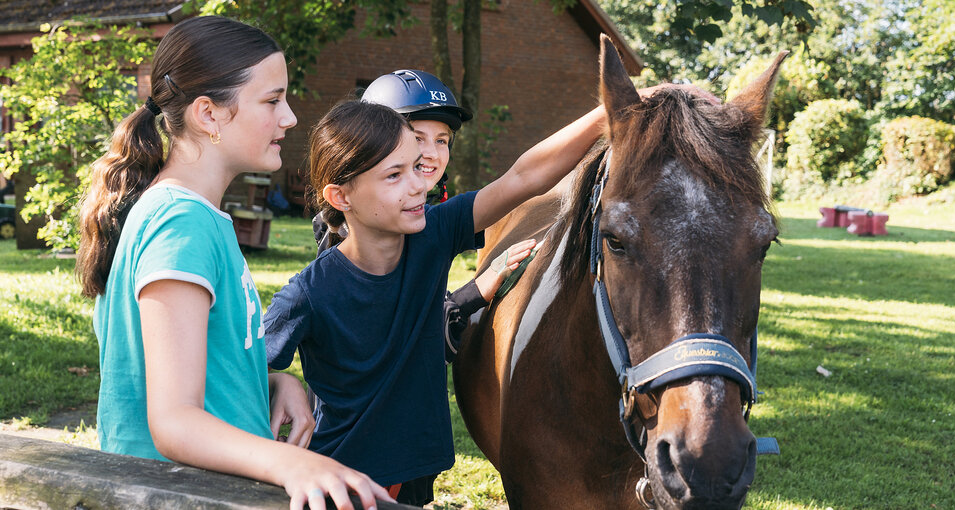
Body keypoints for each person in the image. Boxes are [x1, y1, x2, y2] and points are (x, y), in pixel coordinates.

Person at [262, 78, 648, 504]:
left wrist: (618, 109)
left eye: (417, 167)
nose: (418, 185)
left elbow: (525, 176)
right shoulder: (306, 295)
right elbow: (240, 370)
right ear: (340, 196)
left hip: (414, 470)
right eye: (395, 174)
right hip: (341, 479)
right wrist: (282, 380)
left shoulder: (436, 232)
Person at [74, 16, 391, 510]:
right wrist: (292, 463)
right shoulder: (180, 223)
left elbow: (177, 366)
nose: (289, 117)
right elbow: (174, 422)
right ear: (209, 114)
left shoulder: (194, 217)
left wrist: (267, 381)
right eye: (272, 100)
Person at [311, 70, 537, 358]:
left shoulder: (415, 219)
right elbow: (398, 336)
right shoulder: (362, 231)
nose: (431, 153)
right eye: (417, 138)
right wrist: (472, 293)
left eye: (442, 140)